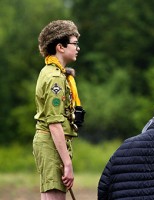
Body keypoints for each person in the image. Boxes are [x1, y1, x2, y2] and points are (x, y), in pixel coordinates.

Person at [33, 20, 83, 200]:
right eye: (75, 44)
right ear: (60, 47)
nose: (78, 48)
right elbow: (54, 123)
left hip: (49, 143)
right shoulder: (55, 77)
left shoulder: (52, 72)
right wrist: (67, 163)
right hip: (51, 143)